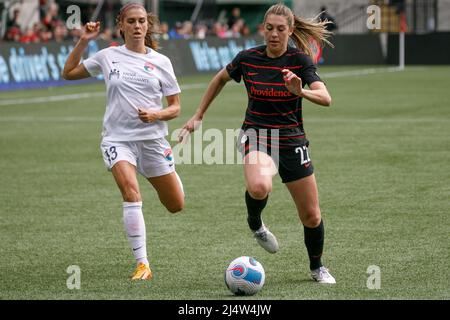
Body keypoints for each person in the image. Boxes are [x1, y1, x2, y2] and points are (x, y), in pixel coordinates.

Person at [179, 3, 336, 284]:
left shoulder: (300, 60)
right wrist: (198, 115)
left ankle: (317, 267)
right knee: (260, 185)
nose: (274, 34)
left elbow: (325, 98)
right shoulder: (247, 58)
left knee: (311, 216)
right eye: (269, 28)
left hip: (292, 139)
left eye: (280, 29)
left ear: (289, 31)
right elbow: (220, 78)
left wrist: (301, 91)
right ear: (263, 29)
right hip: (256, 135)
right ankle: (256, 223)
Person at [62, 2, 184, 280]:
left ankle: (169, 174)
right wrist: (84, 41)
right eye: (131, 21)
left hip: (153, 141)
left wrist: (156, 114)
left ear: (148, 25)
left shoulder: (161, 62)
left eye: (142, 21)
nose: (137, 26)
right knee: (131, 193)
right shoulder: (108, 56)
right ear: (121, 25)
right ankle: (143, 264)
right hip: (118, 140)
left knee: (175, 205)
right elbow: (68, 73)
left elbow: (175, 107)